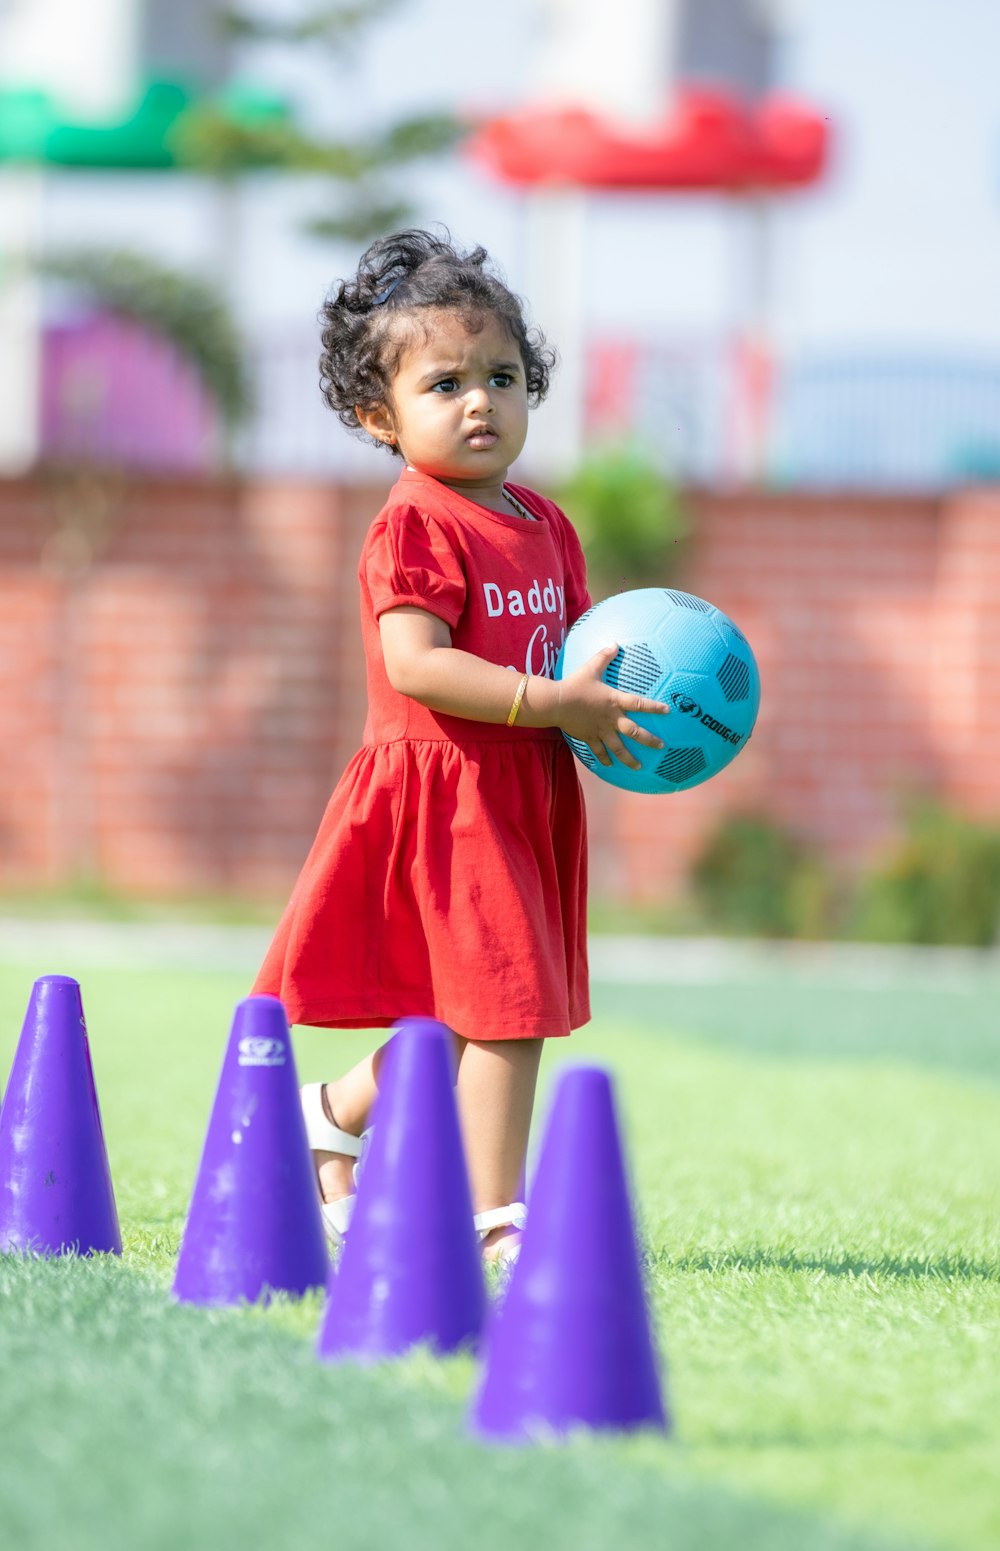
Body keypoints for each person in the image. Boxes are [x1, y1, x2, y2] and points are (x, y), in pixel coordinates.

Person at [252, 228, 670, 1260]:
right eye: (444, 383)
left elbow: (580, 658)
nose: (480, 400)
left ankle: (331, 1119)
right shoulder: (415, 525)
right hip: (447, 797)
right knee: (508, 1007)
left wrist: (619, 718)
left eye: (503, 375)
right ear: (375, 415)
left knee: (460, 1015)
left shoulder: (546, 521)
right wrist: (549, 701)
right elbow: (418, 666)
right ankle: (493, 1222)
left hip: (524, 788)